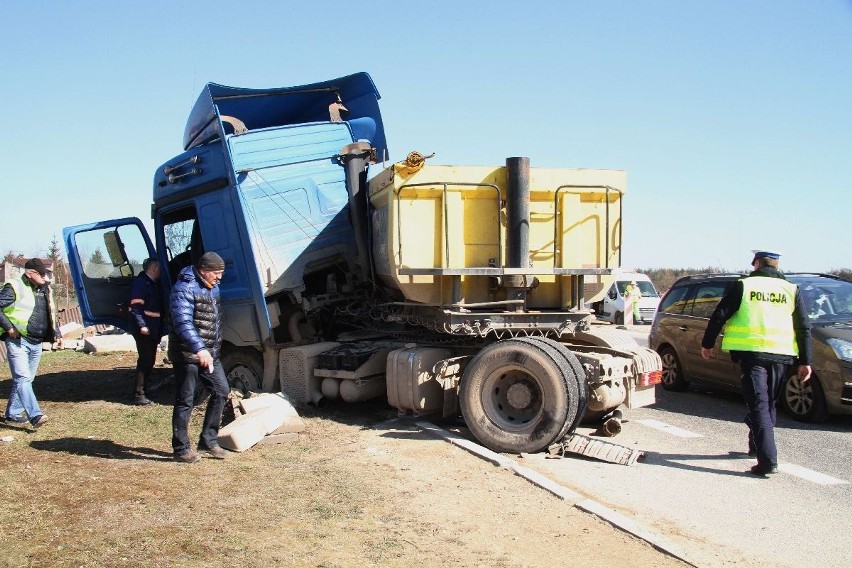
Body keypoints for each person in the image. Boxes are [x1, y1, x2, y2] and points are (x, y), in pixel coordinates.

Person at [701, 250, 812, 476]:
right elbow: (803, 327)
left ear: (758, 264)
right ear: (777, 266)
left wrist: (707, 342)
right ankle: (756, 446)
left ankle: (768, 461)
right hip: (781, 355)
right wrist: (805, 361)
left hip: (753, 355)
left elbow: (720, 313)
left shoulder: (745, 285)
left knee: (759, 404)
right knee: (767, 403)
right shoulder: (791, 290)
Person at [169, 252, 230, 463]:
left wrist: (210, 349)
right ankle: (181, 448)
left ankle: (209, 439)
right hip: (187, 354)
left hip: (210, 354)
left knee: (221, 391)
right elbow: (183, 323)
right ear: (204, 270)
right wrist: (199, 349)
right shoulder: (183, 289)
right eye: (217, 273)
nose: (219, 278)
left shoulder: (213, 288)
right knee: (186, 400)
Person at [0, 258, 60, 428]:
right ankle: (35, 415)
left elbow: (50, 312)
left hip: (36, 341)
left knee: (26, 379)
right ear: (30, 273)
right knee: (23, 378)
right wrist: (9, 328)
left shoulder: (44, 289)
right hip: (18, 341)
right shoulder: (14, 286)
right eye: (42, 274)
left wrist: (56, 333)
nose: (45, 277)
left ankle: (12, 414)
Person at [128, 258, 164, 406]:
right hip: (144, 330)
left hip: (152, 328)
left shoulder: (151, 284)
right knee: (145, 361)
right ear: (154, 268)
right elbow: (136, 307)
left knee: (149, 360)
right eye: (160, 269)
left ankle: (143, 389)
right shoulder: (141, 283)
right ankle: (139, 395)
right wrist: (142, 325)